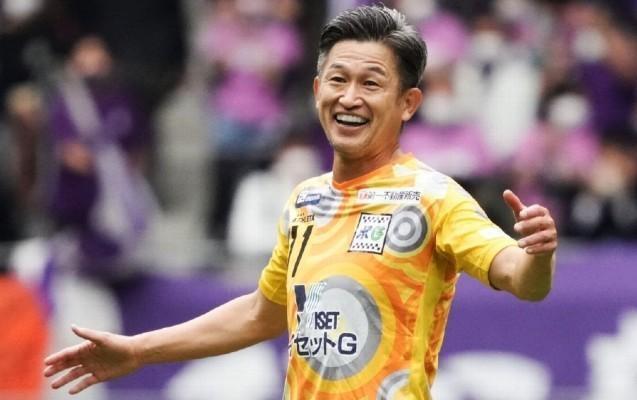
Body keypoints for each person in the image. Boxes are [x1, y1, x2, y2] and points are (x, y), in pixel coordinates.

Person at [43, 5, 557, 399]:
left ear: (408, 103)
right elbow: (261, 313)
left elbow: (519, 278)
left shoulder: (434, 196)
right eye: (338, 80)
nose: (349, 97)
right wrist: (137, 350)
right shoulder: (305, 201)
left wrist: (537, 254)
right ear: (316, 90)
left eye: (371, 83)